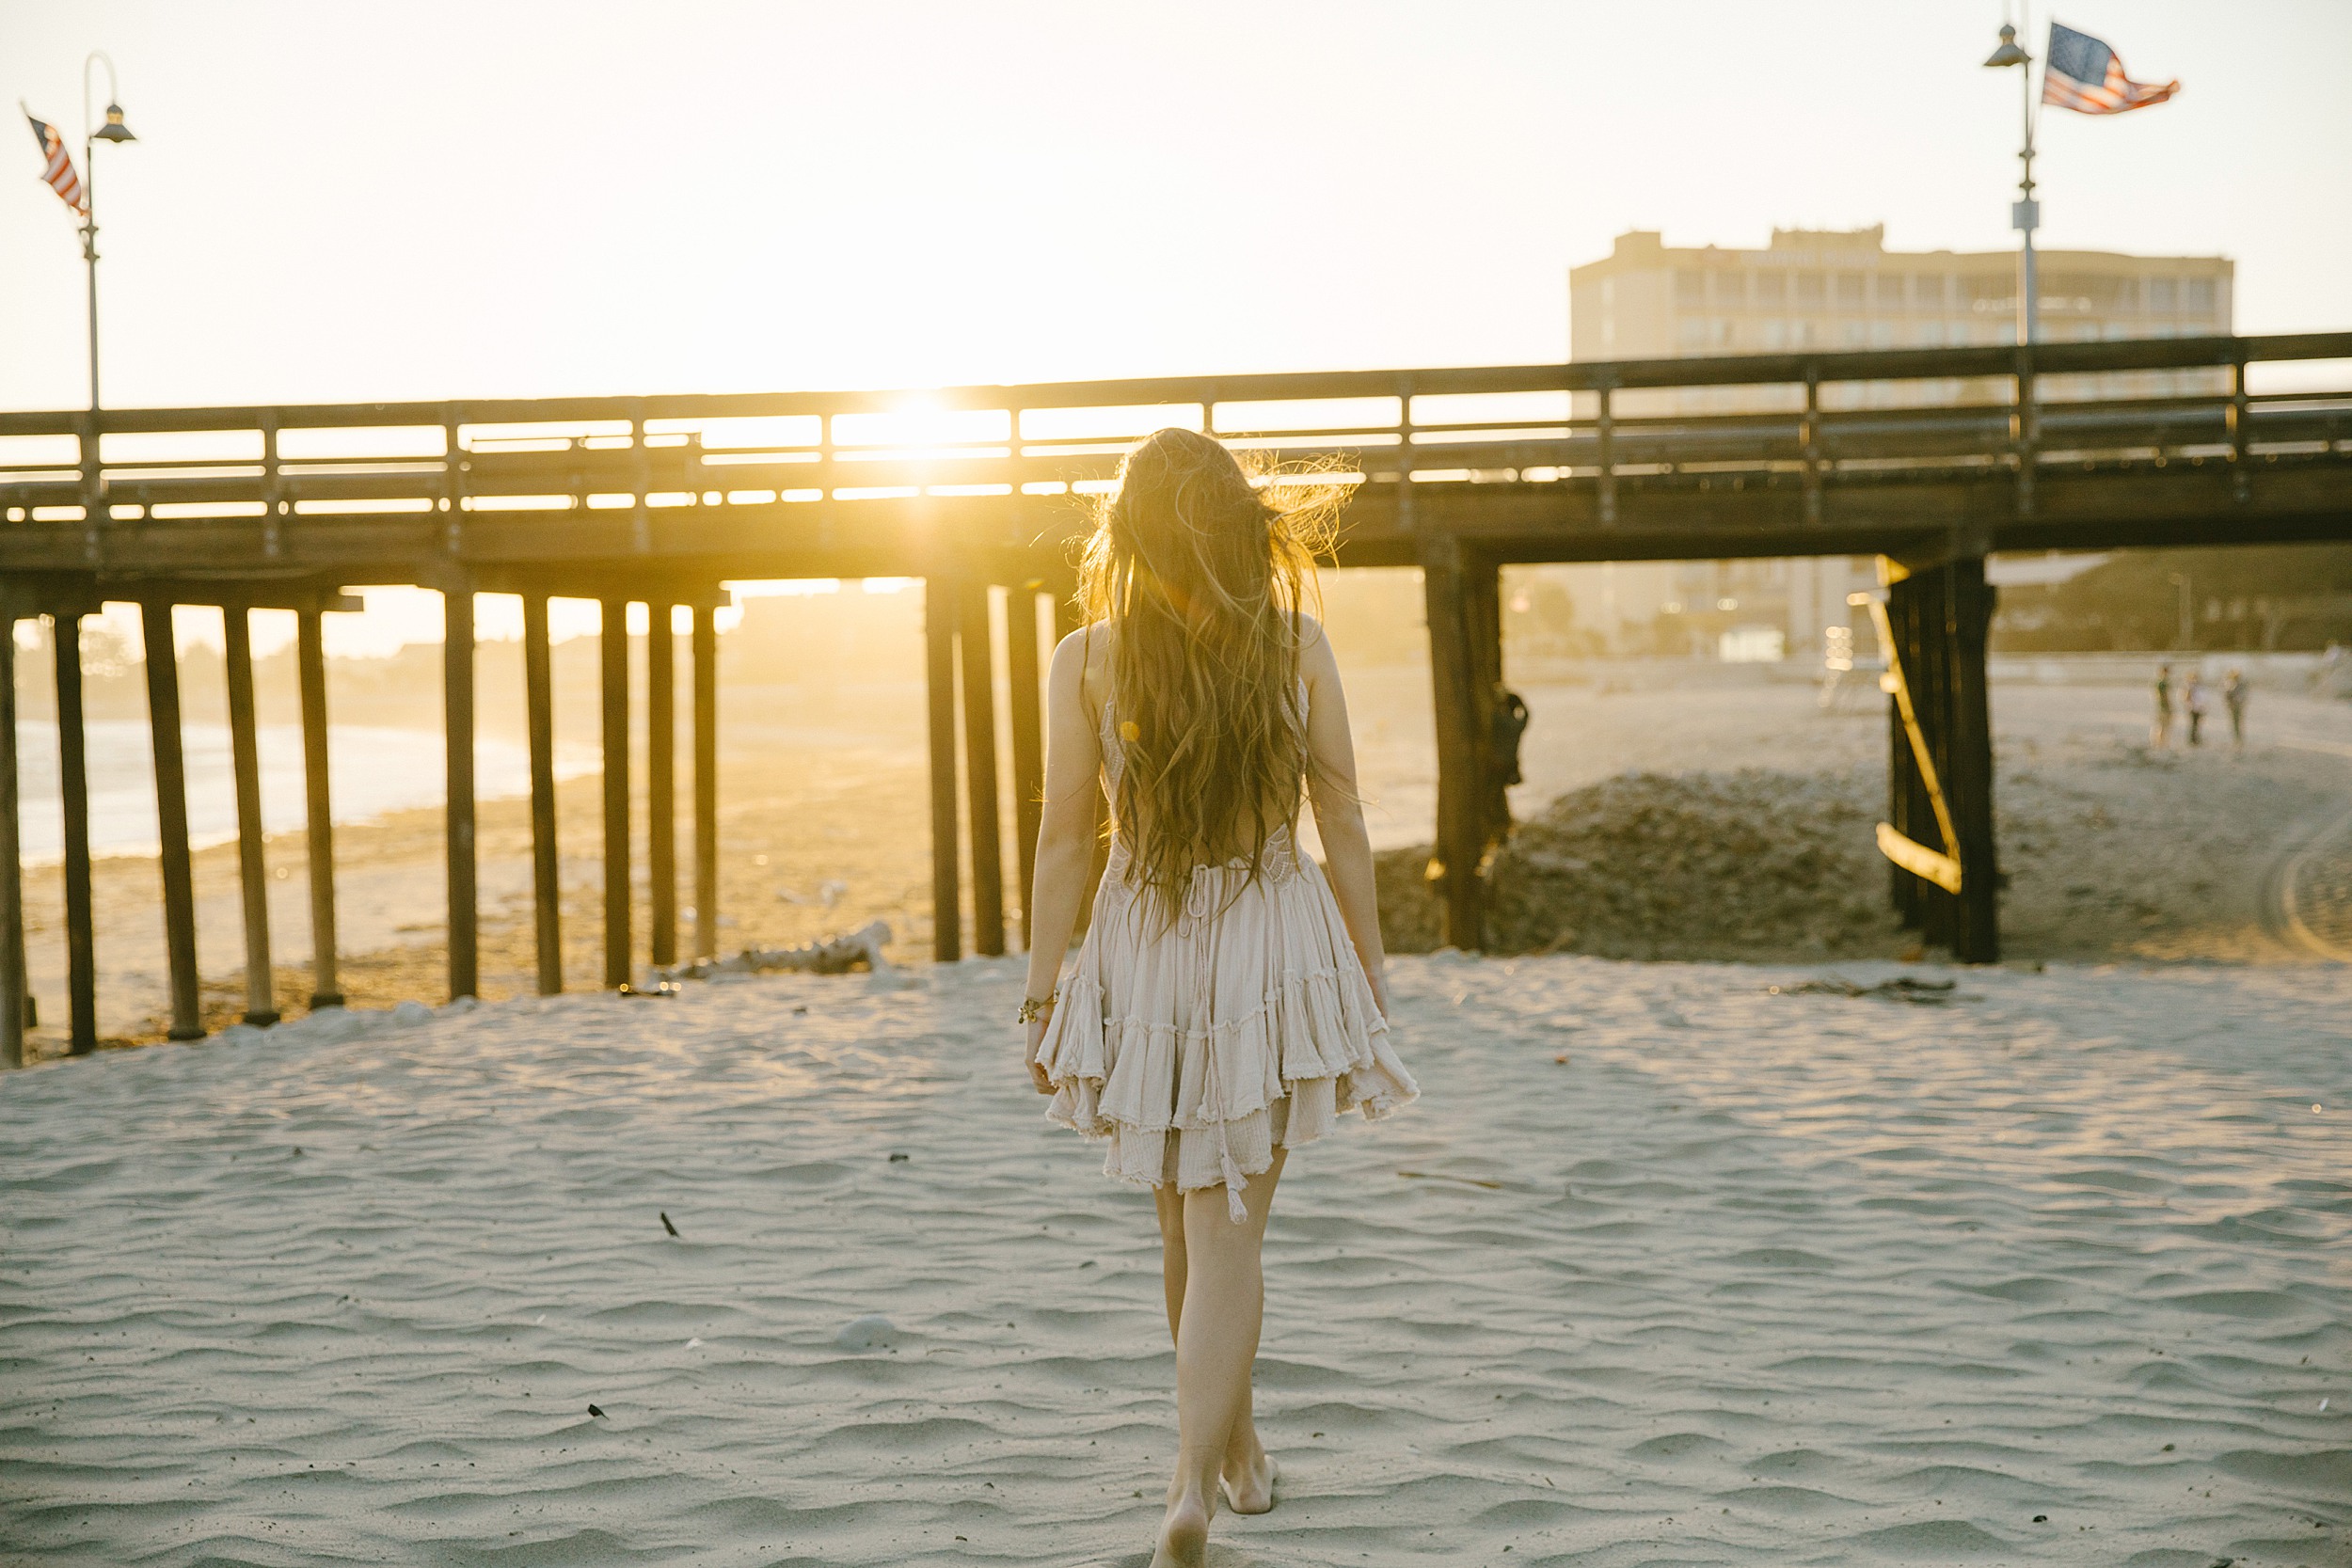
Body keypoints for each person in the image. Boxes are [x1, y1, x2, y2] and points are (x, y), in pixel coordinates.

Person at [1021, 428, 1419, 1567]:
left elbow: (1061, 837)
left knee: (1184, 1216)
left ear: (1129, 531)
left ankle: (1232, 1455)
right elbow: (1339, 808)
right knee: (1227, 1218)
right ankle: (1192, 1480)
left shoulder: (1084, 657)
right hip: (1264, 931)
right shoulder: (1292, 643)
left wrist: (1043, 992)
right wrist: (1369, 960)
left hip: (1142, 937)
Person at [2225, 667, 2249, 752]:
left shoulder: (2240, 684)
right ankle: (2237, 738)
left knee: (2237, 722)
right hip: (2233, 706)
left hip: (2237, 706)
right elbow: (2227, 695)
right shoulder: (2230, 684)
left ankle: (2238, 738)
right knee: (2235, 723)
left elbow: (2244, 695)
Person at [2152, 663, 2174, 747]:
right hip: (2163, 706)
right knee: (2163, 725)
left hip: (2160, 706)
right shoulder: (2162, 683)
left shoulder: (2158, 682)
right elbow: (2165, 696)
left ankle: (2159, 742)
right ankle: (2160, 742)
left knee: (2161, 725)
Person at [2185, 670, 2208, 747]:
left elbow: (2203, 697)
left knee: (2197, 724)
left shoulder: (2199, 687)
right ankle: (2192, 739)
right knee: (2193, 724)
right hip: (2192, 708)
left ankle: (2196, 739)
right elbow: (2186, 697)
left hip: (2199, 708)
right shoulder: (2190, 686)